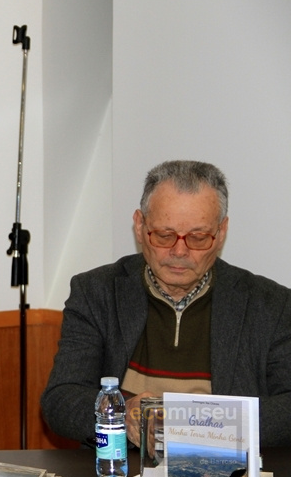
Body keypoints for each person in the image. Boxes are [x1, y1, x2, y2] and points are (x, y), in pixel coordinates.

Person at [41, 160, 291, 448]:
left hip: (224, 468)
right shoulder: (97, 292)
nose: (179, 251)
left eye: (198, 237)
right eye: (164, 235)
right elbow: (61, 399)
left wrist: (199, 426)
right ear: (139, 226)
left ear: (221, 232)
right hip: (123, 466)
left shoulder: (271, 305)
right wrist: (123, 414)